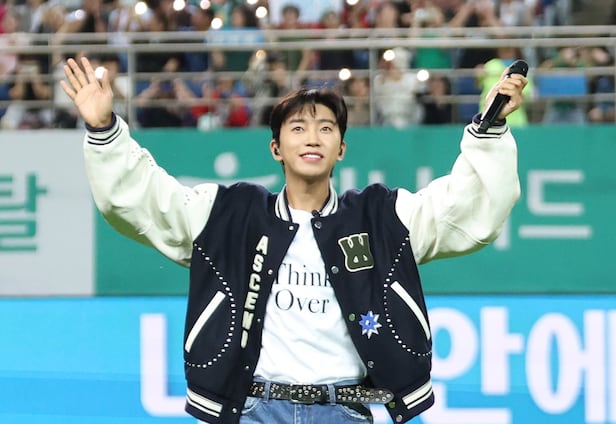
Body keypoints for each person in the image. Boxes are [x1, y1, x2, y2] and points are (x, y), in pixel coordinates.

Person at [60, 55, 526, 424]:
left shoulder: (380, 217)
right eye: (298, 128)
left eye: (326, 128)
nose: (313, 138)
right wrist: (104, 129)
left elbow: (463, 208)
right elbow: (147, 202)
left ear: (341, 148)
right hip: (254, 409)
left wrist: (490, 129)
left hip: (346, 410)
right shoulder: (229, 215)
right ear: (276, 148)